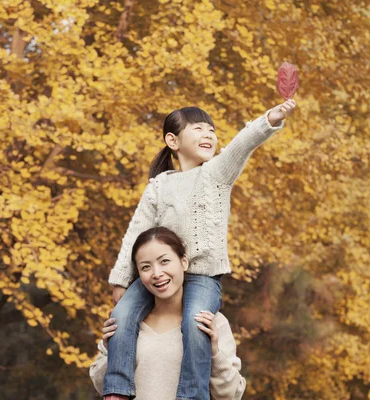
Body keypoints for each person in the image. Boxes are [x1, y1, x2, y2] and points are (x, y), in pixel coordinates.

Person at [105, 100, 297, 399]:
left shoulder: (216, 174)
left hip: (202, 277)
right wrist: (120, 279)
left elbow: (241, 145)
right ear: (173, 140)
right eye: (198, 129)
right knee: (122, 315)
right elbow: (137, 233)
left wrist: (269, 120)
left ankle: (192, 395)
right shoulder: (158, 186)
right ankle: (117, 388)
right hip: (163, 272)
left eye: (212, 130)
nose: (209, 134)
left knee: (196, 324)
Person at [92, 227, 245, 400]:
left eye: (164, 261)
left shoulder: (211, 322)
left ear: (184, 262)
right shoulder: (126, 322)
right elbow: (101, 385)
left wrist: (215, 353)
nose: (157, 273)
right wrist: (109, 349)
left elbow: (232, 395)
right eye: (146, 267)